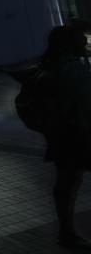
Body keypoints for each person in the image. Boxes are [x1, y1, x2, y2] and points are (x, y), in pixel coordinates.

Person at [41, 24, 91, 249]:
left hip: (62, 136)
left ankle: (66, 231)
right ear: (70, 44)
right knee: (69, 183)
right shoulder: (72, 70)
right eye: (82, 39)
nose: (86, 43)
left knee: (67, 182)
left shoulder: (52, 67)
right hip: (78, 135)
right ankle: (67, 233)